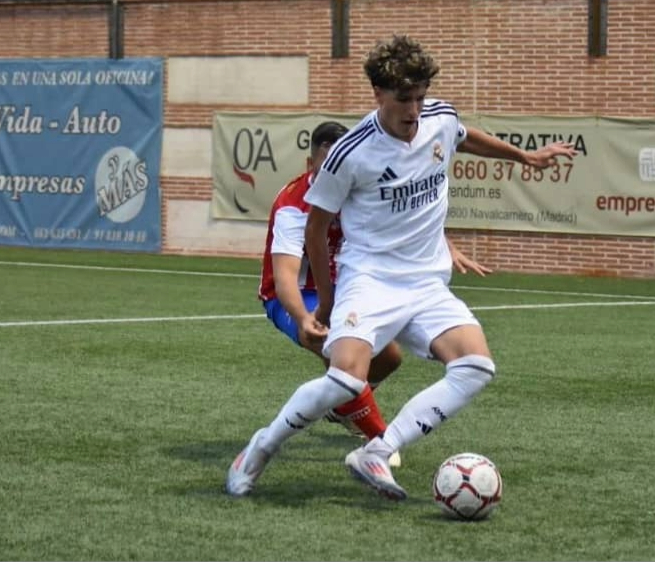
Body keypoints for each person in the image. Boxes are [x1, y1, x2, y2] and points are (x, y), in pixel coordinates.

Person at [227, 34, 572, 501]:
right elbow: (315, 231)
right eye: (404, 99)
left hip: (427, 283)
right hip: (369, 281)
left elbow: (465, 136)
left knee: (475, 366)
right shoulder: (351, 153)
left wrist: (525, 157)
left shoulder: (439, 119)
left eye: (420, 97)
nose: (414, 110)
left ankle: (378, 450)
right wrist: (326, 303)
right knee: (346, 379)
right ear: (378, 95)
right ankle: (258, 450)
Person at [241, 121, 491, 492]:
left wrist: (447, 245)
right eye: (323, 167)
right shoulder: (294, 206)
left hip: (350, 287)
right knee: (338, 359)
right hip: (296, 296)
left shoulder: (359, 181)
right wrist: (305, 317)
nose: (332, 176)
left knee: (389, 359)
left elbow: (407, 213)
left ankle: (341, 405)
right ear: (311, 163)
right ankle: (372, 435)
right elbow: (285, 277)